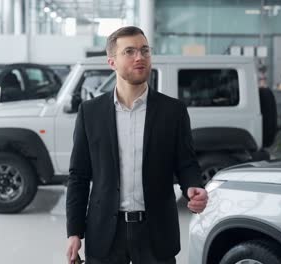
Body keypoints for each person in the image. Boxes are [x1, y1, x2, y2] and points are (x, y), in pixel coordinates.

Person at [66, 26, 208, 264]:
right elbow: (78, 176)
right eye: (129, 51)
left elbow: (186, 163)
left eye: (144, 50)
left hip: (156, 232)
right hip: (105, 232)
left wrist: (193, 186)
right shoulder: (90, 113)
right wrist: (74, 232)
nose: (140, 57)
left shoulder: (172, 111)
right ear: (112, 62)